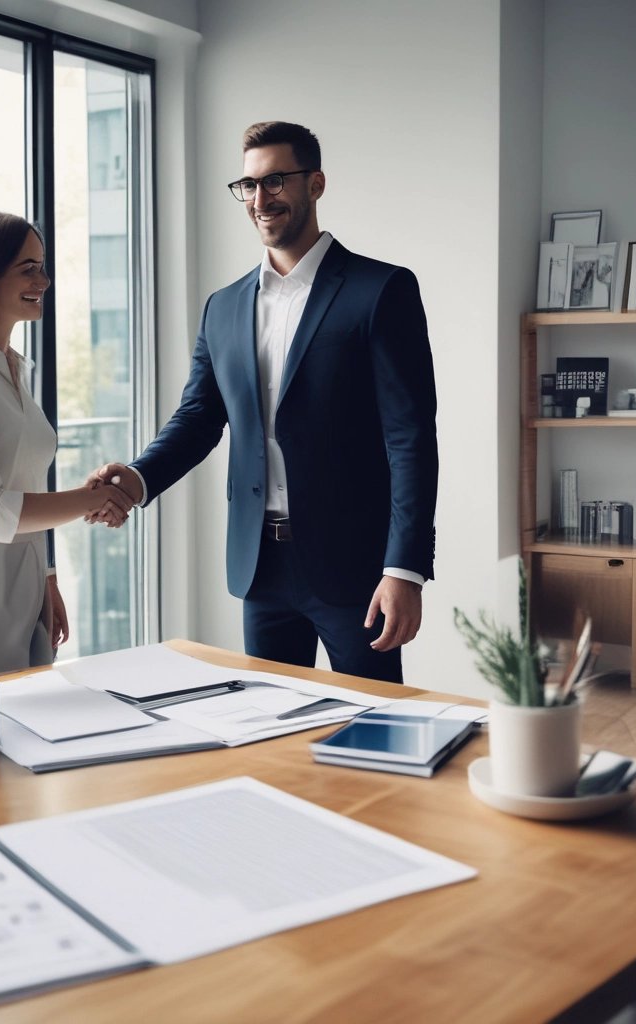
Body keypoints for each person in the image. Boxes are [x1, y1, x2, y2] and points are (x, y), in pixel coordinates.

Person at [91, 121, 438, 683]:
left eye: (275, 180)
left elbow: (411, 437)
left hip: (357, 568)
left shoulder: (381, 291)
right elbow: (199, 417)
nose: (259, 198)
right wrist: (134, 481)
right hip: (261, 567)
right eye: (248, 185)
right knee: (270, 730)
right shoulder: (223, 307)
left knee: (379, 733)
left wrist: (405, 568)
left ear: (315, 184)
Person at [0, 211, 132, 677]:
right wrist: (94, 500)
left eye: (43, 265)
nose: (45, 279)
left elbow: (25, 481)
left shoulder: (15, 366)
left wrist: (47, 575)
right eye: (28, 268)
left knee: (35, 732)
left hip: (25, 575)